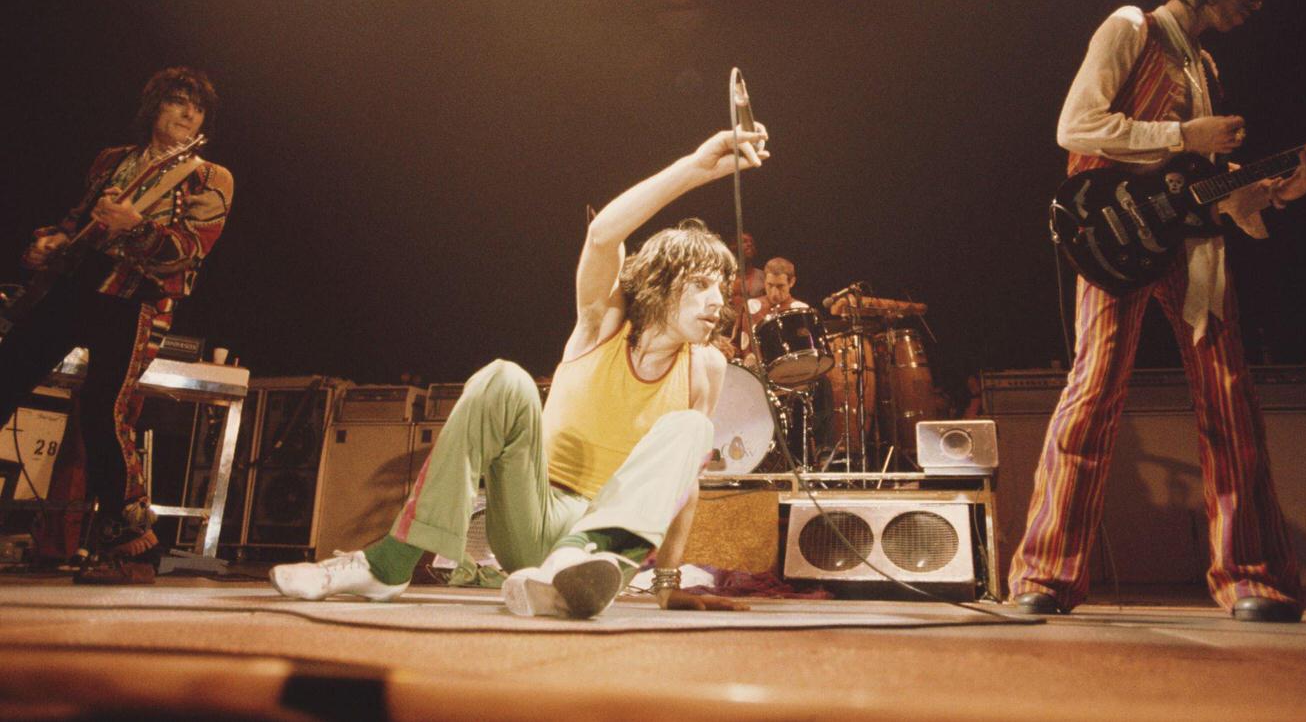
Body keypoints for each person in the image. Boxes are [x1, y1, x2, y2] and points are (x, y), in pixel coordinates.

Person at [271, 123, 769, 618]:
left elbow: (686, 484)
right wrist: (695, 169)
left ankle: (571, 570)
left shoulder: (705, 366)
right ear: (661, 282)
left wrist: (667, 583)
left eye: (722, 290)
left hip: (608, 536)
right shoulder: (605, 323)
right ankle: (390, 563)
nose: (717, 302)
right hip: (533, 517)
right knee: (503, 377)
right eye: (702, 285)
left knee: (693, 427)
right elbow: (602, 236)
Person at [1008, 0, 1306, 623]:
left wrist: (1270, 194)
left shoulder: (1204, 68)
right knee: (1093, 389)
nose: (1258, 4)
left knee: (1229, 397)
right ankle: (1045, 572)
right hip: (1117, 234)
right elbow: (1077, 124)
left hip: (1193, 244)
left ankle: (1251, 575)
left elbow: (1203, 183)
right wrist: (1185, 136)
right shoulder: (1132, 26)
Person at [0, 67, 233, 584]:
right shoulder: (113, 161)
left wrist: (138, 228)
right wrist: (50, 242)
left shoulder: (209, 177)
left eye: (196, 108)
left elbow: (190, 251)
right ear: (154, 108)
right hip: (74, 289)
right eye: (177, 102)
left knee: (104, 412)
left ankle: (133, 552)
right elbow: (76, 221)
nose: (188, 113)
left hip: (134, 300)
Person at [724, 256, 808, 366]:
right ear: (764, 281)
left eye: (780, 286)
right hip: (754, 376)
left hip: (792, 374)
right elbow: (736, 345)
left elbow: (808, 353)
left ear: (791, 282)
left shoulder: (801, 310)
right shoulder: (750, 307)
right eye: (770, 285)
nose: (774, 292)